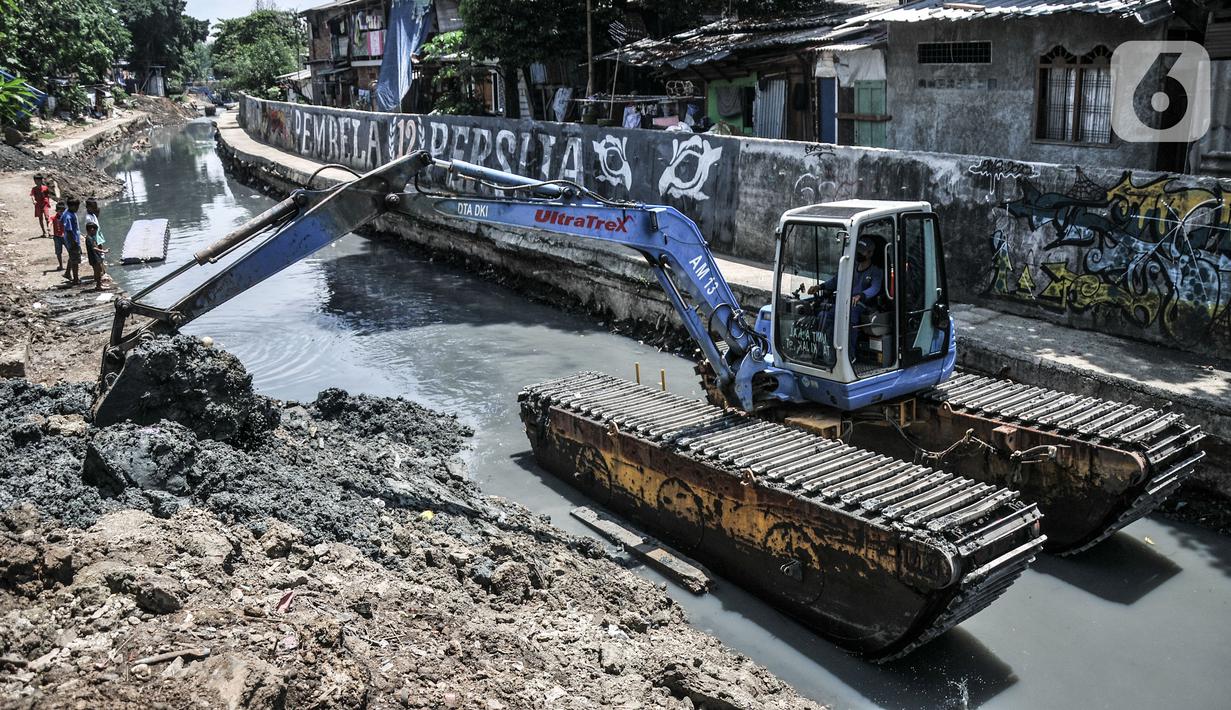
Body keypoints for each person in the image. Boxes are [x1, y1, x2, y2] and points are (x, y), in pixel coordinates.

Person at [810, 236, 883, 361]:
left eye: (862, 251)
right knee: (825, 315)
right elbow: (836, 281)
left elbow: (875, 288)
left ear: (870, 253)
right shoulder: (851, 267)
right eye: (857, 250)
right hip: (845, 302)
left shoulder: (876, 271)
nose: (858, 253)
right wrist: (820, 286)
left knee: (851, 314)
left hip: (863, 305)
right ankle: (825, 351)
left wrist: (861, 295)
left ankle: (850, 355)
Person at [84, 198, 109, 284]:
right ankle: (100, 277)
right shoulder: (88, 218)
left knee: (100, 257)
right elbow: (91, 228)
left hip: (98, 236)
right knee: (98, 258)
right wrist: (102, 250)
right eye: (93, 207)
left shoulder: (93, 215)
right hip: (95, 238)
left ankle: (102, 272)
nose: (95, 209)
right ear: (88, 207)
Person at [62, 198, 82, 285]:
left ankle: (67, 273)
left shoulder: (67, 212)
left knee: (72, 257)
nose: (78, 208)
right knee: (75, 261)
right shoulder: (69, 216)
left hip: (71, 240)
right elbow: (69, 230)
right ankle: (75, 279)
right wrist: (75, 242)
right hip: (72, 240)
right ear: (73, 206)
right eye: (77, 207)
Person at [84, 223, 108, 291]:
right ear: (91, 230)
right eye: (95, 231)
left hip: (96, 257)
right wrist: (103, 251)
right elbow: (94, 248)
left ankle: (99, 284)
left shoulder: (92, 237)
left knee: (99, 270)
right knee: (98, 271)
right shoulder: (89, 238)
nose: (95, 232)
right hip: (94, 258)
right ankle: (98, 285)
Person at [50, 202, 66, 272]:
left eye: (63, 211)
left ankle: (71, 265)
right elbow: (50, 222)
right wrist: (48, 228)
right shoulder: (53, 218)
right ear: (57, 211)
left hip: (65, 237)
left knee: (70, 250)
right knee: (58, 252)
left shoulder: (65, 218)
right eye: (60, 211)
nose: (61, 213)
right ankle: (61, 265)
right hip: (57, 237)